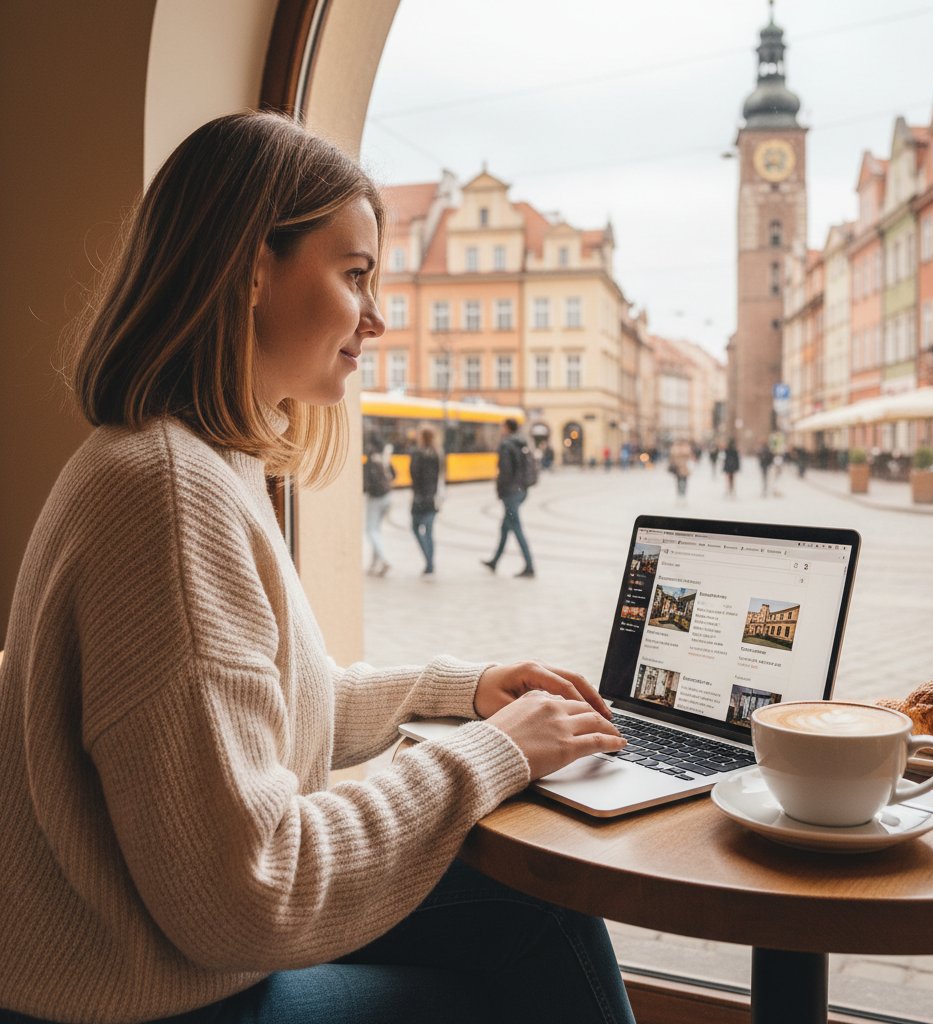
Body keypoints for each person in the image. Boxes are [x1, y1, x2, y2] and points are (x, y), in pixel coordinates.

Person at [0, 111, 633, 1024]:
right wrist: (492, 755)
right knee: (528, 946)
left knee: (537, 910)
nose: (376, 318)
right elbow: (253, 891)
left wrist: (469, 689)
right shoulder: (172, 495)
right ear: (254, 268)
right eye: (354, 275)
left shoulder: (185, 458)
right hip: (146, 997)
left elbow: (269, 707)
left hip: (139, 953)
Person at [482, 418, 536, 579]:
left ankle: (529, 566)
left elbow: (505, 472)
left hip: (511, 492)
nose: (500, 429)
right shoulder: (522, 442)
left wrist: (501, 491)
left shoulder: (506, 445)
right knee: (505, 528)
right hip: (521, 489)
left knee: (516, 528)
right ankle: (495, 561)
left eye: (502, 427)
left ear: (506, 428)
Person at [409, 426, 441, 576]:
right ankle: (430, 563)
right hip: (432, 498)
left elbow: (414, 475)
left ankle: (428, 561)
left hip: (420, 498)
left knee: (416, 528)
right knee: (429, 532)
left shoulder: (417, 454)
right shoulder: (437, 454)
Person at [362, 433, 394, 576]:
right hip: (387, 496)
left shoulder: (371, 457)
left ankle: (384, 560)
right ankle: (374, 564)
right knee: (376, 531)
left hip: (376, 498)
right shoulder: (383, 456)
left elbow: (367, 480)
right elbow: (394, 474)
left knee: (371, 530)